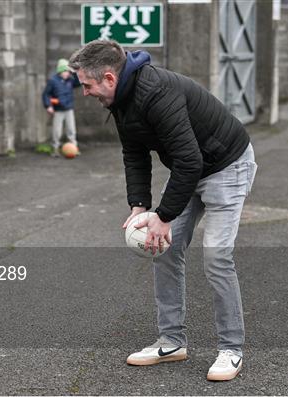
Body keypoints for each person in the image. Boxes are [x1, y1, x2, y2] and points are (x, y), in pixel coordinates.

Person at [69, 40, 257, 381]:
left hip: (227, 165)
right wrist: (139, 206)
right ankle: (172, 342)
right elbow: (135, 154)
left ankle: (231, 349)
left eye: (87, 85)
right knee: (164, 250)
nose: (85, 93)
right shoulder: (122, 100)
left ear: (109, 78)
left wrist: (164, 216)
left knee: (216, 256)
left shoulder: (155, 91)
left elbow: (188, 160)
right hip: (193, 168)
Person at [42, 58, 81, 157]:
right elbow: (46, 94)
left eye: (68, 71)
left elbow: (79, 82)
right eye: (65, 71)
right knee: (57, 131)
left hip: (69, 108)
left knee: (71, 130)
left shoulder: (70, 80)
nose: (67, 73)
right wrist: (48, 106)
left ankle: (74, 148)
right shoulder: (53, 81)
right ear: (60, 71)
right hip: (58, 110)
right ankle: (55, 149)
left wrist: (75, 72)